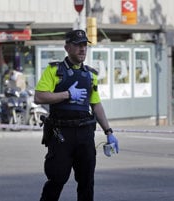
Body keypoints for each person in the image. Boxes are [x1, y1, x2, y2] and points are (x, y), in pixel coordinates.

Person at [34, 29, 119, 201]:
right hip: (61, 134)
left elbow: (96, 104)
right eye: (78, 45)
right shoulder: (54, 70)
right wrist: (67, 94)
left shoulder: (90, 75)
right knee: (57, 178)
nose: (82, 49)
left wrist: (109, 132)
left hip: (84, 134)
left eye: (84, 46)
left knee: (87, 181)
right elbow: (39, 96)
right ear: (67, 48)